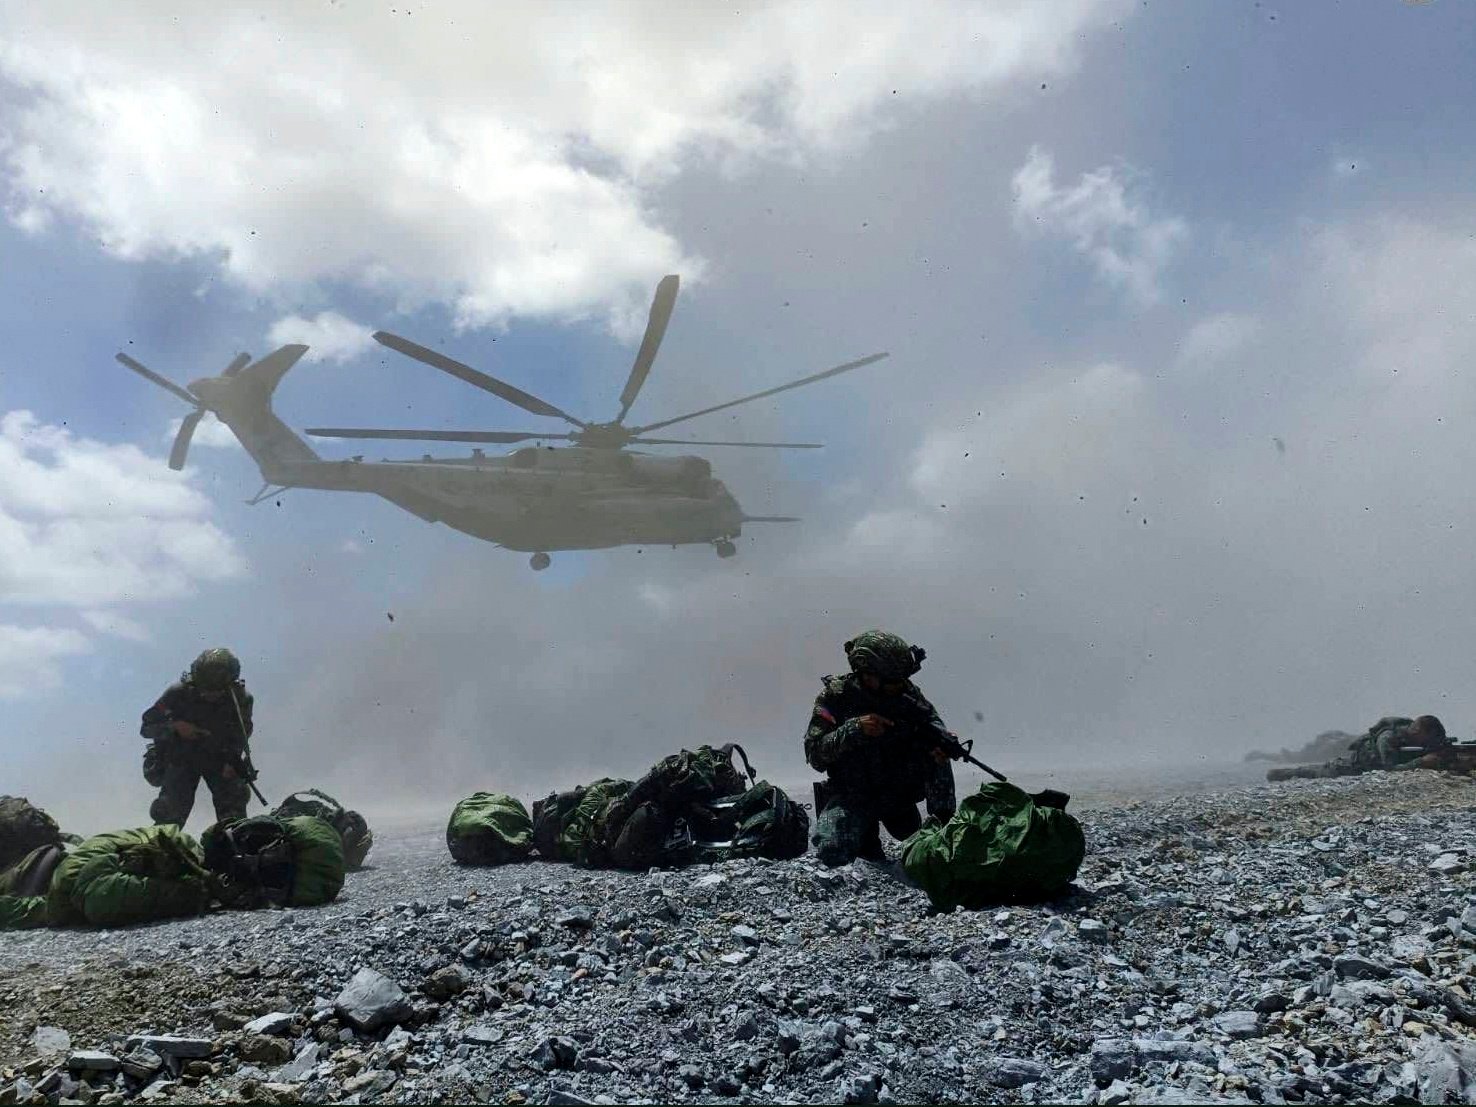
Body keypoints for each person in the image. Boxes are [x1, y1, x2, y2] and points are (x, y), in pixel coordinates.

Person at [804, 630, 957, 866]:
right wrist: (853, 729)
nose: (899, 687)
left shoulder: (909, 696)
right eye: (892, 682)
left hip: (898, 793)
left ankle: (946, 836)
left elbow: (935, 727)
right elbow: (815, 755)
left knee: (939, 755)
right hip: (852, 796)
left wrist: (942, 743)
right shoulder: (836, 697)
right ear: (867, 675)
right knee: (832, 855)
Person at [141, 648, 255, 828]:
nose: (209, 694)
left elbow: (242, 732)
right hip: (180, 756)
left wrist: (232, 759)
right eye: (205, 688)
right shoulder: (177, 693)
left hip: (219, 757)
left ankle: (234, 847)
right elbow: (147, 728)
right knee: (169, 814)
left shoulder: (240, 699)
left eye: (216, 690)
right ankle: (162, 849)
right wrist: (176, 727)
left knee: (234, 811)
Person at [1266, 715, 1449, 781]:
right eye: (1427, 737)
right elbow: (1388, 769)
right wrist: (1422, 762)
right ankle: (1281, 774)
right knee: (1314, 772)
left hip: (1358, 766)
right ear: (1418, 731)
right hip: (1351, 768)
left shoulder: (1408, 735)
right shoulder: (1387, 739)